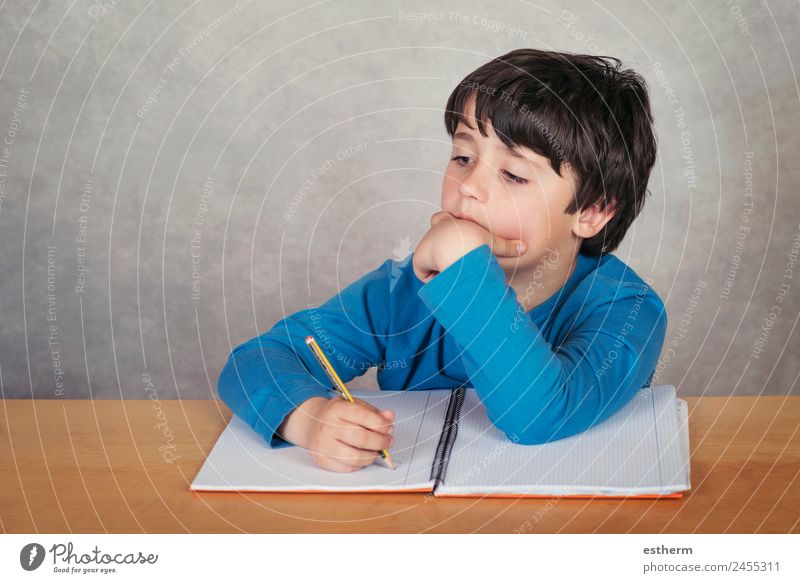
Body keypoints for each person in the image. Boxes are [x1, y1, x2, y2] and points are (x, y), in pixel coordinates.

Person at [218, 48, 667, 473]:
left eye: (513, 174)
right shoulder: (402, 290)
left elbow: (538, 418)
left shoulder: (627, 312)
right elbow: (257, 359)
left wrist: (465, 271)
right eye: (463, 156)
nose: (469, 184)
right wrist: (310, 417)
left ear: (592, 212)